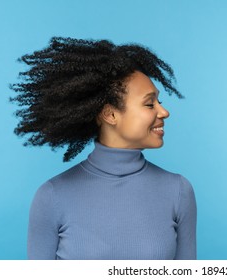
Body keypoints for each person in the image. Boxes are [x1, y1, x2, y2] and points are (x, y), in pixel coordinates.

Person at [11, 37, 197, 260]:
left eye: (159, 102)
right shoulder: (51, 197)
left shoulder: (178, 192)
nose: (164, 112)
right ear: (110, 114)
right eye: (150, 104)